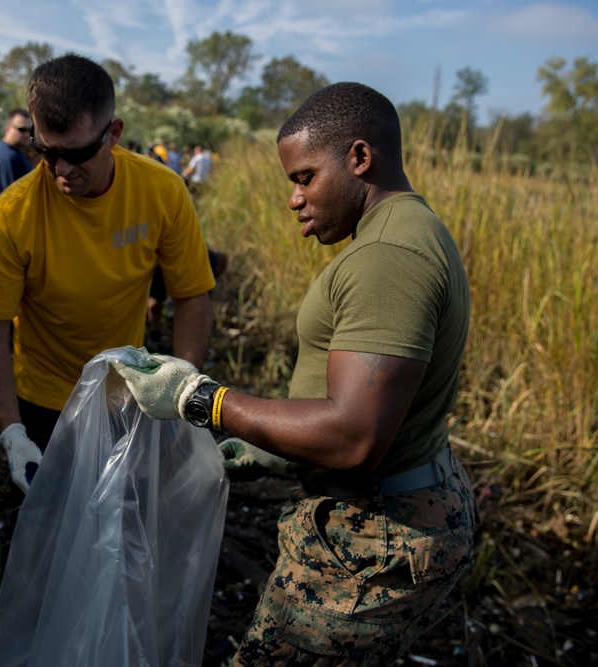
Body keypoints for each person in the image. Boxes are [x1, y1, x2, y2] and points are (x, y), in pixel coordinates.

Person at [114, 82, 476, 665]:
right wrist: (275, 447)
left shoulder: (386, 258)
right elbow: (374, 410)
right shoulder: (407, 230)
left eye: (305, 177)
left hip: (374, 536)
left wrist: (199, 397)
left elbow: (354, 436)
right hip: (397, 507)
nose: (295, 198)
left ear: (360, 158)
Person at [0, 54, 214, 493]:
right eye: (45, 151)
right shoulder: (11, 215)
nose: (61, 170)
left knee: (119, 524)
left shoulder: (162, 192)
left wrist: (181, 391)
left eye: (77, 153)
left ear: (113, 134)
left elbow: (192, 295)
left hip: (127, 395)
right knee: (44, 531)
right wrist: (11, 433)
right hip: (40, 402)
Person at [0, 108, 34, 204]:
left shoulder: (11, 151)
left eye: (30, 130)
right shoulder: (9, 157)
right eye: (21, 130)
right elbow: (13, 199)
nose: (26, 134)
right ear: (8, 129)